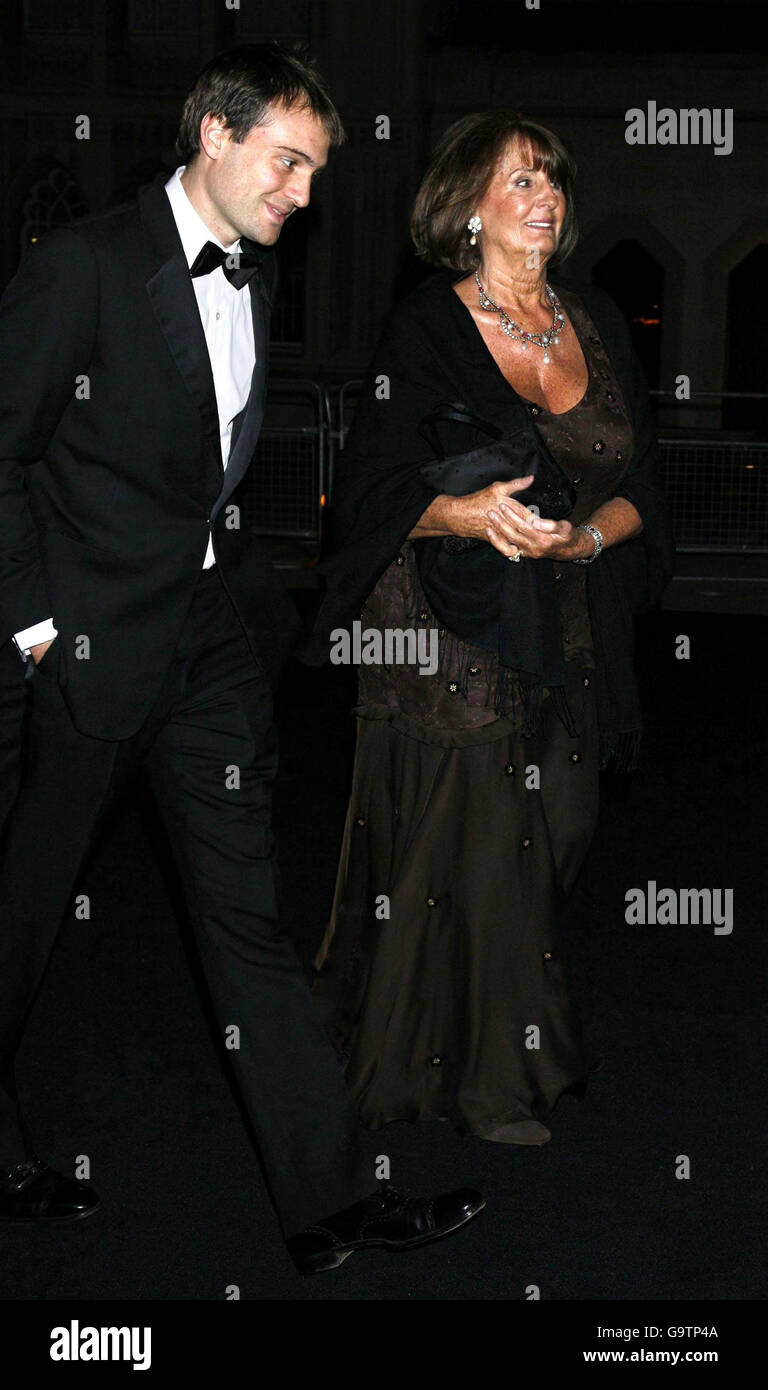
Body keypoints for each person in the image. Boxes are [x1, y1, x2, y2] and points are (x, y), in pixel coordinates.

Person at [0, 44, 484, 1275]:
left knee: (249, 924)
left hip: (208, 657)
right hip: (84, 662)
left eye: (316, 170)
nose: (305, 195)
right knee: (20, 925)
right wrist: (39, 629)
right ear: (213, 134)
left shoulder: (251, 278)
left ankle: (328, 1202)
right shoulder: (84, 267)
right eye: (290, 161)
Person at [301, 112, 674, 1146]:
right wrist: (468, 514)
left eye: (552, 179)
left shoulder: (591, 318)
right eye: (519, 182)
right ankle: (492, 1080)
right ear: (468, 208)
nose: (544, 197)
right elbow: (372, 490)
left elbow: (643, 479)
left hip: (570, 621)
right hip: (451, 629)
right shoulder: (427, 327)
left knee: (562, 825)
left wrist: (589, 541)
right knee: (481, 849)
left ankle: (467, 1031)